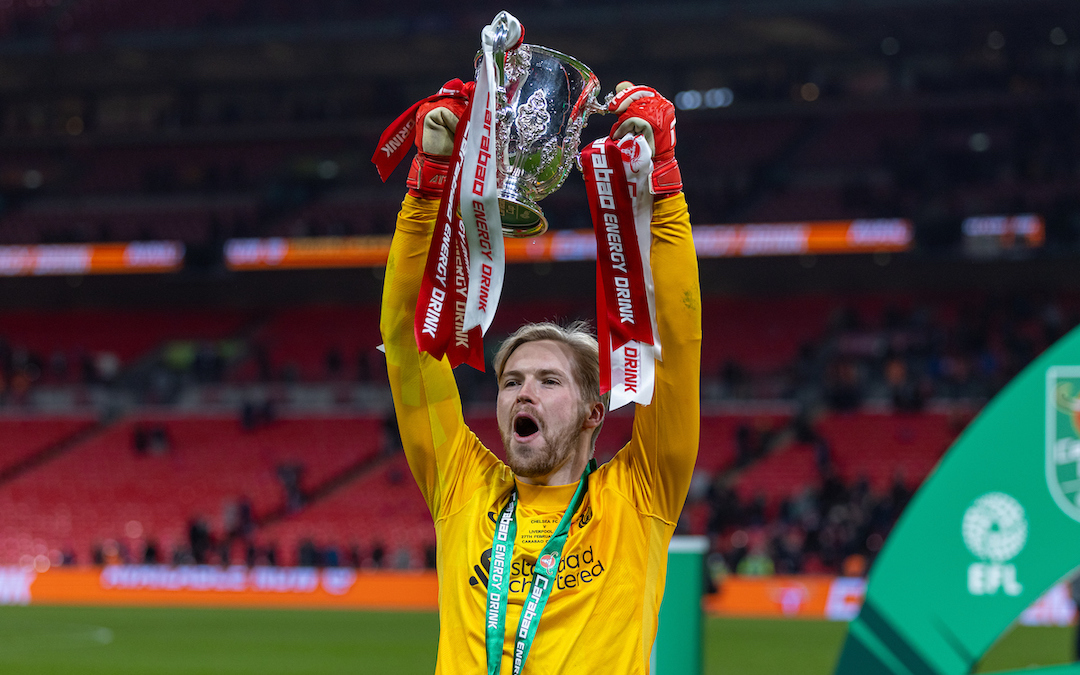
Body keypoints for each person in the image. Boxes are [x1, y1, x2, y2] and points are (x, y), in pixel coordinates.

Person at [380, 79, 700, 674]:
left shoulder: (639, 495)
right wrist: (428, 185)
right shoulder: (463, 490)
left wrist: (664, 183)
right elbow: (407, 339)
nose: (524, 390)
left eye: (550, 381)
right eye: (510, 381)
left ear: (593, 411)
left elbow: (676, 349)